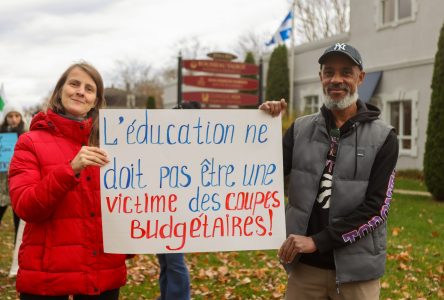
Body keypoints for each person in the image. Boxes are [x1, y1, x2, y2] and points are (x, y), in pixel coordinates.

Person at [260, 43, 399, 300]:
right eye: (329, 72)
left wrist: (318, 241)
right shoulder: (300, 130)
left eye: (346, 72)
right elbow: (261, 177)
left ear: (360, 77)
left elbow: (377, 209)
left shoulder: (383, 137)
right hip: (305, 269)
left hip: (356, 273)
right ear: (321, 77)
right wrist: (262, 127)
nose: (336, 80)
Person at [8, 62, 127, 299]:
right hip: (47, 279)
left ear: (96, 100)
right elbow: (26, 207)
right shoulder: (29, 142)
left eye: (89, 88)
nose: (81, 91)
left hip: (101, 277)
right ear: (60, 91)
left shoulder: (113, 144)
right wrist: (70, 169)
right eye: (74, 84)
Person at [154, 101, 198, 300]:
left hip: (177, 213)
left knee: (174, 260)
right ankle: (166, 295)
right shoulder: (169, 144)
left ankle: (179, 297)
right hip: (160, 210)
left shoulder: (193, 146)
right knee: (164, 259)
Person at [0, 105, 26, 240]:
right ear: (5, 118)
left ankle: (17, 255)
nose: (14, 119)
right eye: (10, 116)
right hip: (1, 187)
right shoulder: (1, 136)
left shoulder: (27, 136)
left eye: (17, 115)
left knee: (20, 225)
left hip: (19, 186)